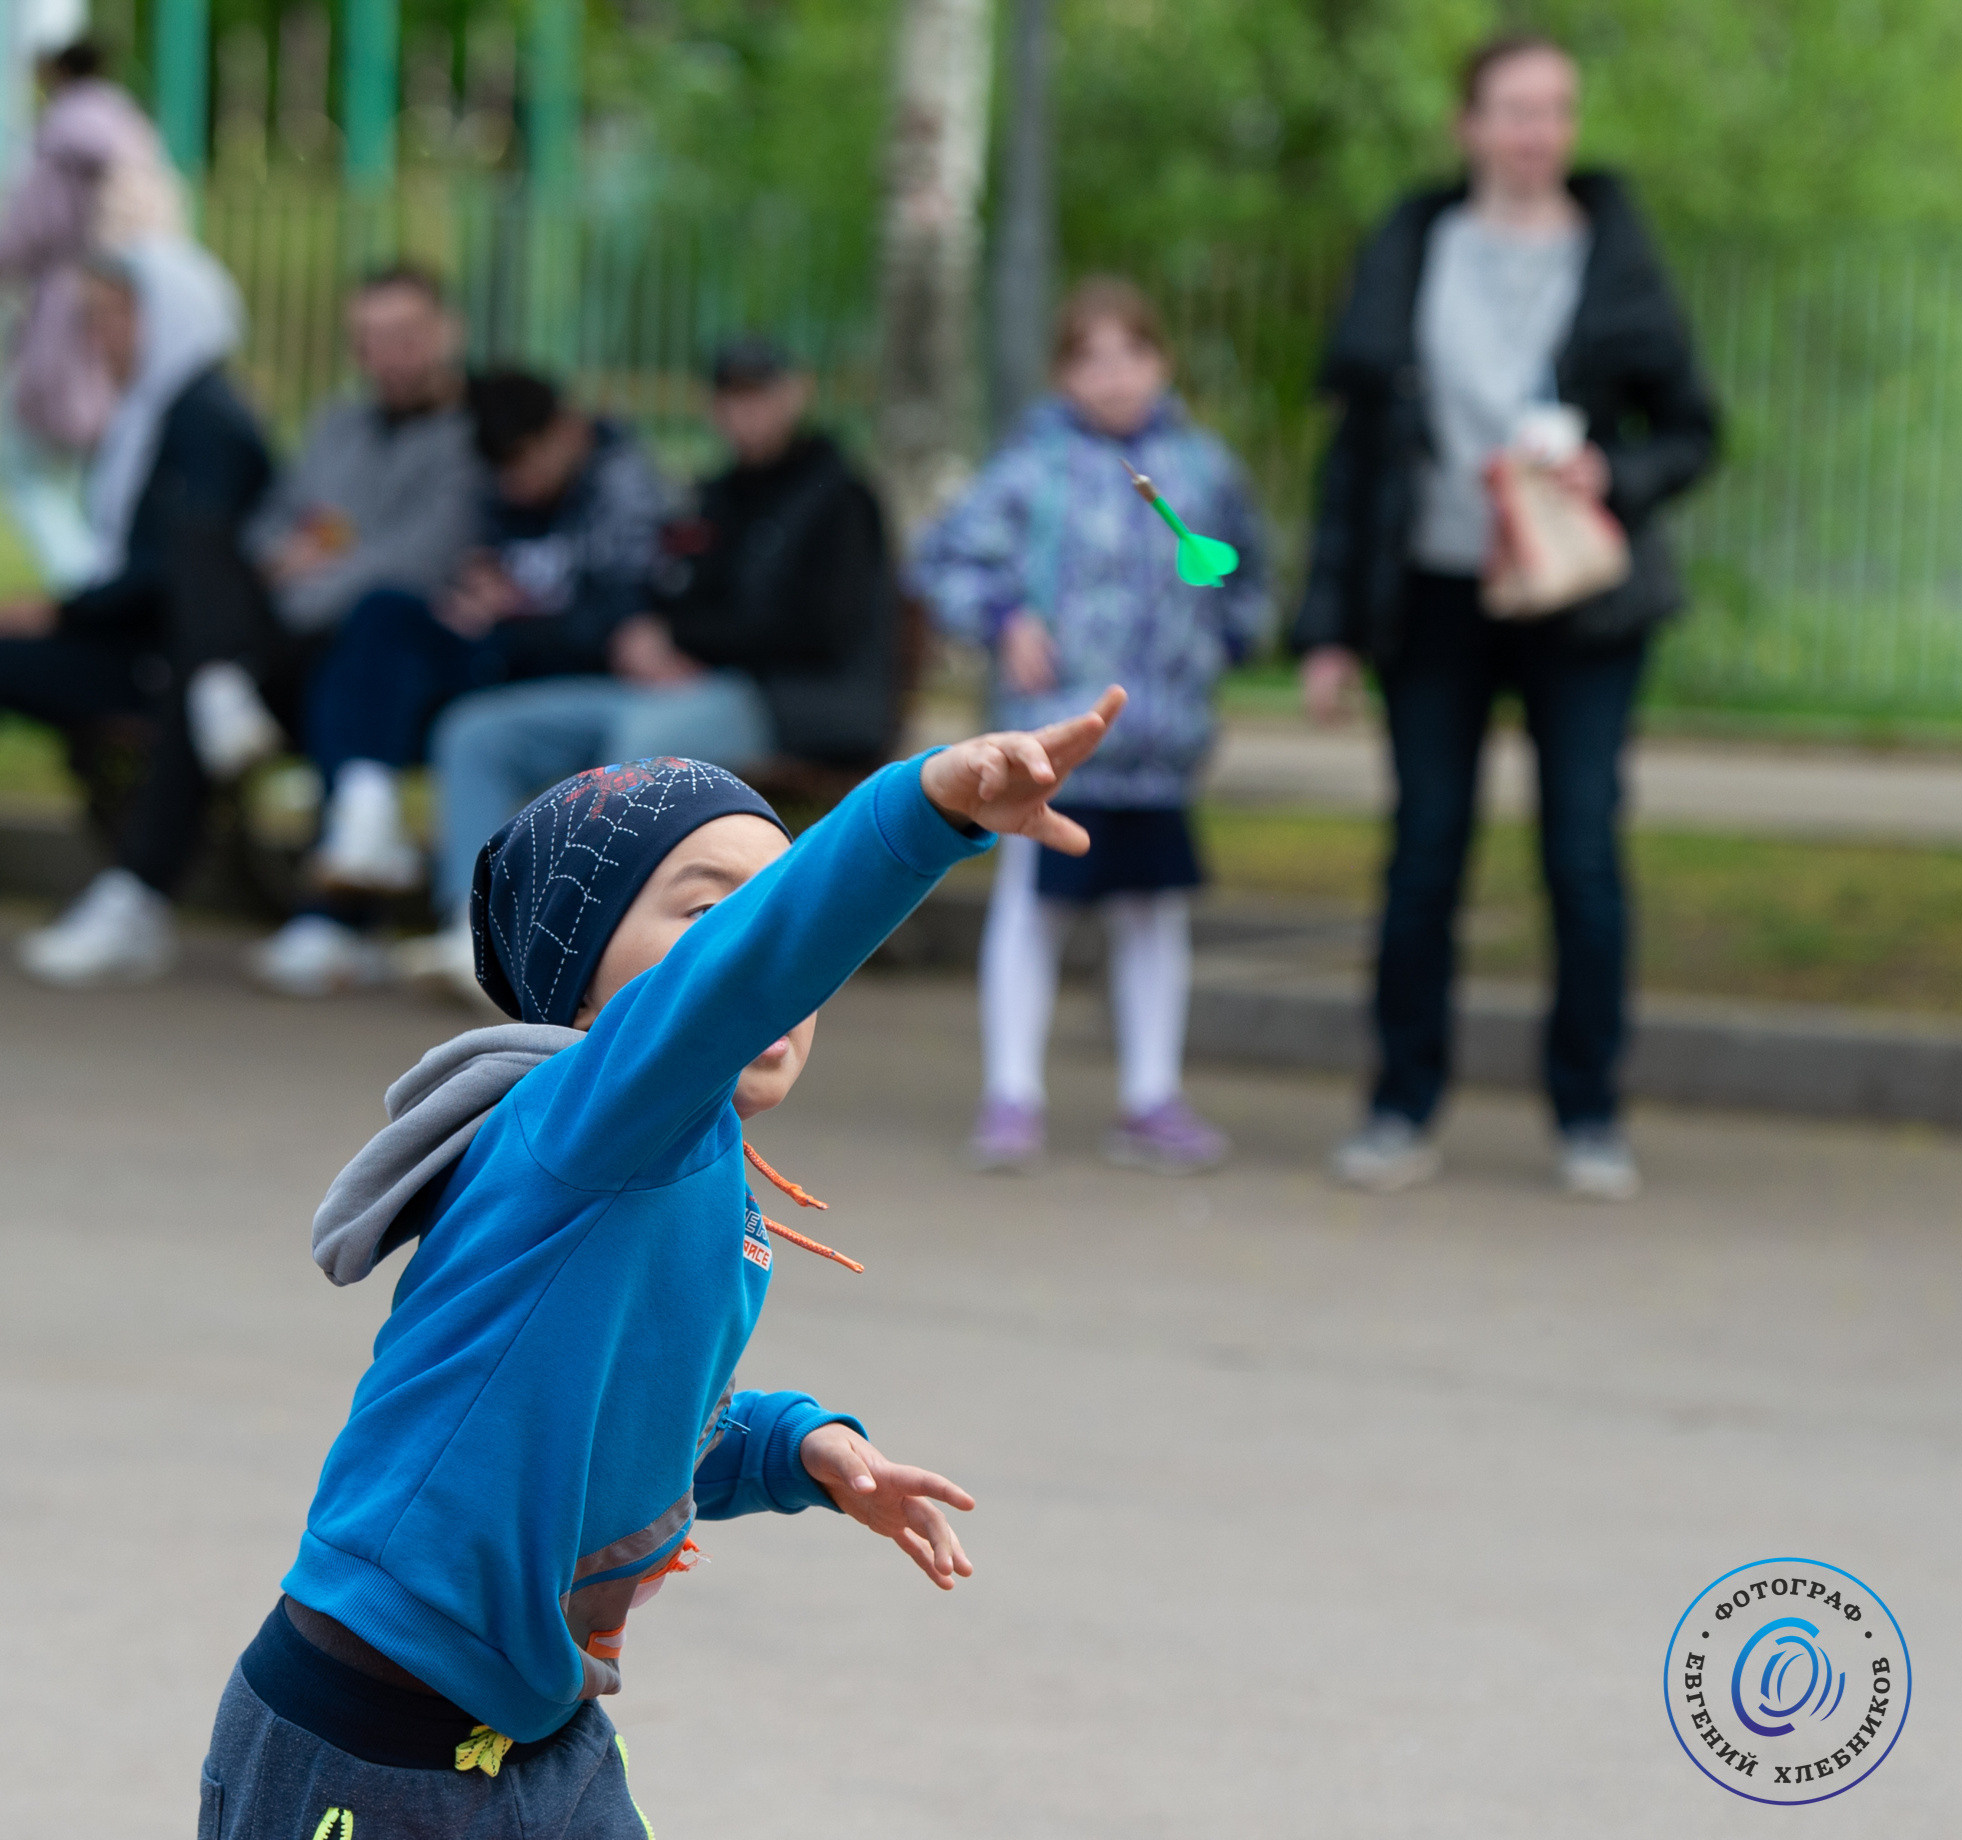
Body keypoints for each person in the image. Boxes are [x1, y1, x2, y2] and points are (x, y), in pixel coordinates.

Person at [197, 690, 1127, 1837]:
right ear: (591, 978)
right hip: (365, 1740)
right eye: (709, 911)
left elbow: (633, 1426)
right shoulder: (582, 1126)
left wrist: (804, 1449)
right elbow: (751, 969)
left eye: (775, 899)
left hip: (537, 1734)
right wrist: (923, 806)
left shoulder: (686, 1161)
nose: (771, 951)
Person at [1292, 33, 1719, 1201]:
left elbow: (1691, 429)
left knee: (1579, 853)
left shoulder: (1616, 258)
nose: (1537, 132)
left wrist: (1610, 479)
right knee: (1424, 850)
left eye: (1556, 110)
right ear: (1467, 124)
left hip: (1577, 603)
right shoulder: (1412, 245)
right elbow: (1358, 453)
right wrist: (1325, 626)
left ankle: (1587, 1109)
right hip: (1429, 595)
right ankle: (1398, 1104)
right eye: (1513, 109)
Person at [410, 335, 895, 990]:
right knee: (478, 732)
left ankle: (577, 954)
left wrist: (687, 645)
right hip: (678, 688)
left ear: (795, 394)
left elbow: (818, 632)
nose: (743, 412)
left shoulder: (839, 497)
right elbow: (671, 592)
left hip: (790, 701)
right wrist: (648, 637)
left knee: (637, 751)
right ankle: (473, 941)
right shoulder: (717, 493)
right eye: (730, 396)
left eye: (758, 395)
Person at [914, 278, 1267, 1174]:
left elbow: (1248, 569)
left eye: (1130, 355)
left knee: (1153, 914)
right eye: (1090, 359)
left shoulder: (1201, 468)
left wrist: (1223, 641)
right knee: (1033, 908)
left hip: (1162, 746)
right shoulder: (1028, 470)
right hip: (1050, 741)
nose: (1113, 377)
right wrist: (1001, 620)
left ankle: (1152, 1096)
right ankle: (1011, 1096)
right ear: (1063, 373)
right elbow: (943, 557)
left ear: (1161, 361)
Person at [250, 368, 671, 990]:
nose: (513, 482)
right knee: (379, 619)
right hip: (495, 652)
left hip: (563, 669)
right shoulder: (497, 483)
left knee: (387, 688)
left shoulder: (625, 488)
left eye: (523, 461)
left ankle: (351, 886)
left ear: (567, 432)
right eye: (498, 467)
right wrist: (473, 595)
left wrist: (518, 608)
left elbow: (630, 617)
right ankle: (363, 825)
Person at [0, 241, 277, 987]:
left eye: (113, 319)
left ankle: (139, 895)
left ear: (169, 317)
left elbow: (174, 569)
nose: (100, 340)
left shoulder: (202, 420)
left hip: (170, 651)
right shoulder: (153, 414)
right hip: (157, 646)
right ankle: (214, 687)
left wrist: (63, 617)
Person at [242, 264, 480, 995]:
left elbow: (423, 558)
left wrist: (311, 577)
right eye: (372, 340)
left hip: (445, 643)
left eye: (407, 335)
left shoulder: (473, 431)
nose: (391, 356)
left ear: (447, 333)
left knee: (376, 619)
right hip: (337, 645)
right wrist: (294, 559)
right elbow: (271, 527)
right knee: (344, 648)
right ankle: (353, 864)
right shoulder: (334, 426)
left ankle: (336, 914)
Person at [0, 37, 185, 590]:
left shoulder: (63, 144)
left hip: (71, 316)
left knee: (29, 463)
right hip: (135, 309)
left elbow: (24, 234)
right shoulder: (131, 134)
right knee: (106, 462)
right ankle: (104, 578)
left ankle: (89, 589)